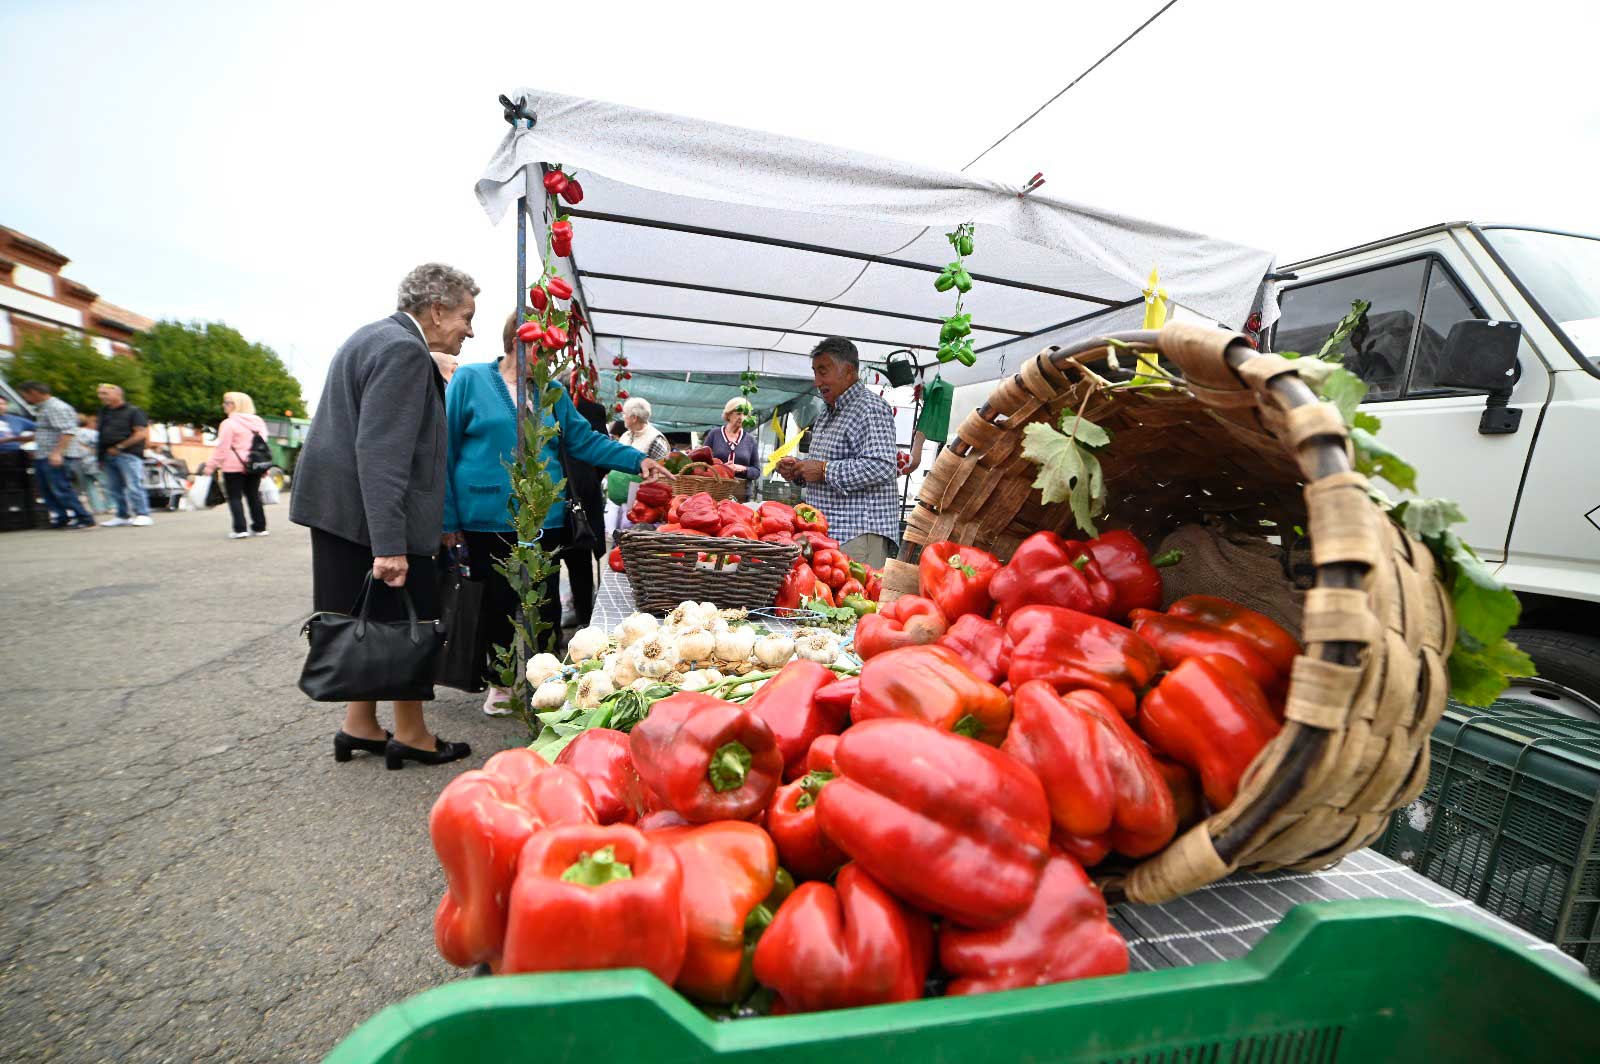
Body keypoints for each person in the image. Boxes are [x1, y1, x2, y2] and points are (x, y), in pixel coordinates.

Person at [290, 262, 479, 769]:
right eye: (465, 315)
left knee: (365, 617)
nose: (470, 329)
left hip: (342, 512)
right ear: (437, 310)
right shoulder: (403, 350)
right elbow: (382, 454)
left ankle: (360, 725)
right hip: (369, 516)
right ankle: (412, 735)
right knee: (401, 622)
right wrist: (390, 545)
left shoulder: (372, 337)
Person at [442, 314, 670, 716]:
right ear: (518, 340)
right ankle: (498, 684)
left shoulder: (551, 393)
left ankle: (545, 681)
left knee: (544, 603)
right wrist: (447, 519)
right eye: (543, 351)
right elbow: (444, 450)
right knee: (495, 605)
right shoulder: (470, 380)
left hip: (543, 516)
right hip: (484, 516)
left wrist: (638, 461)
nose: (549, 361)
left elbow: (585, 441)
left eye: (554, 353)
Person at [776, 337, 899, 566]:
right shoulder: (826, 414)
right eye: (815, 372)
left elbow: (883, 467)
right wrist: (799, 470)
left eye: (823, 372)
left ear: (849, 371)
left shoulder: (870, 408)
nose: (817, 381)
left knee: (857, 600)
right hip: (829, 535)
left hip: (859, 534)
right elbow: (824, 468)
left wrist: (823, 470)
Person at [16, 382, 95, 530]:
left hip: (56, 456)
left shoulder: (56, 407)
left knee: (61, 488)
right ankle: (62, 517)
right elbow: (45, 433)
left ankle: (84, 518)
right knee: (47, 490)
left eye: (25, 394)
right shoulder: (43, 408)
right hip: (44, 455)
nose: (24, 397)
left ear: (33, 392)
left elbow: (67, 431)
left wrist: (58, 453)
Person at [564, 385, 611, 626]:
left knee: (554, 566)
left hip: (566, 495)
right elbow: (603, 457)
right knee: (580, 563)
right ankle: (584, 617)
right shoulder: (593, 409)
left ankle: (554, 629)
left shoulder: (541, 404)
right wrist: (589, 478)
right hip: (582, 494)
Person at [202, 391, 271, 539]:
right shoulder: (258, 421)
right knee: (253, 496)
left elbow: (222, 448)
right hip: (255, 465)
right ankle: (260, 527)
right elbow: (263, 445)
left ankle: (240, 529)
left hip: (233, 466)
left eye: (227, 402)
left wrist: (210, 466)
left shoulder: (228, 424)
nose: (224, 405)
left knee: (234, 497)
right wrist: (264, 467)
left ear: (237, 405)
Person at [605, 396, 670, 534]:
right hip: (622, 501)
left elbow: (662, 471)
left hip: (642, 502)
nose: (623, 417)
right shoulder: (626, 436)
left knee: (633, 533)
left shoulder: (655, 438)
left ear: (634, 417)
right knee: (620, 533)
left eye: (625, 414)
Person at [96, 383, 153, 527]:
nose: (101, 397)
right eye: (100, 393)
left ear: (117, 394)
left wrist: (120, 447)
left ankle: (142, 513)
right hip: (108, 454)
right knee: (114, 487)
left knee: (133, 484)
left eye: (105, 393)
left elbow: (140, 433)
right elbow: (101, 434)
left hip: (128, 454)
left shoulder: (133, 411)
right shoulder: (104, 412)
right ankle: (122, 515)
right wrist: (100, 456)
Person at [707, 397, 761, 490]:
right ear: (728, 414)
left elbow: (756, 472)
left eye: (745, 414)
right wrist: (721, 468)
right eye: (738, 413)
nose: (741, 417)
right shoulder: (714, 434)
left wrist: (742, 468)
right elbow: (703, 464)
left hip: (742, 492)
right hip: (715, 489)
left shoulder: (750, 440)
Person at [69, 413, 109, 515]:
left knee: (89, 487)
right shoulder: (91, 433)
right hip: (95, 461)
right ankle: (111, 505)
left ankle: (97, 508)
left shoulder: (70, 434)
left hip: (79, 463)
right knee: (105, 484)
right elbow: (101, 445)